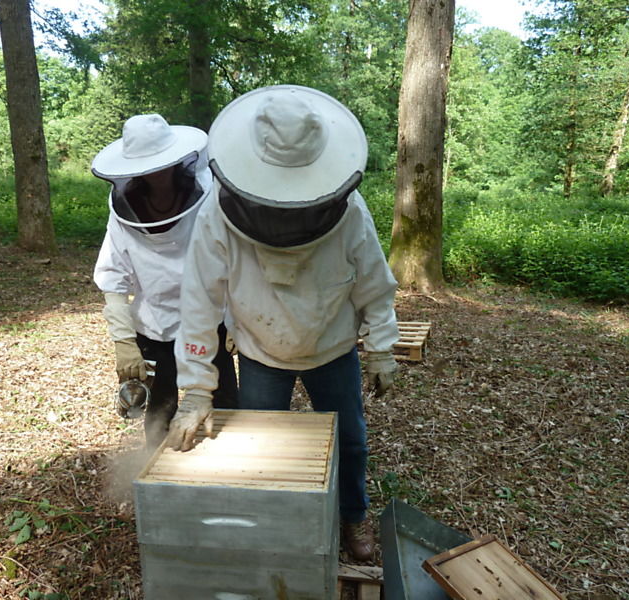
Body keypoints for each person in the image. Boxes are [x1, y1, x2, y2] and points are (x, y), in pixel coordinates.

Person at [168, 86, 399, 562]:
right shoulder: (217, 213)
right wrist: (195, 388)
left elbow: (375, 283)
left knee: (350, 442)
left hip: (332, 346)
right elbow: (200, 299)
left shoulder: (350, 210)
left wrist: (381, 346)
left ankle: (352, 514)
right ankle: (263, 523)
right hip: (260, 349)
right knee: (256, 448)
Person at [91, 113, 237, 447]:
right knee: (159, 410)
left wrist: (235, 319)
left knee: (225, 406)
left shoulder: (209, 198)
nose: (154, 173)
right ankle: (154, 469)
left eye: (160, 164)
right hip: (154, 326)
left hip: (209, 320)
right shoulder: (123, 213)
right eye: (145, 167)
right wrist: (123, 341)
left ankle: (227, 473)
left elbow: (230, 260)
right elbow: (113, 276)